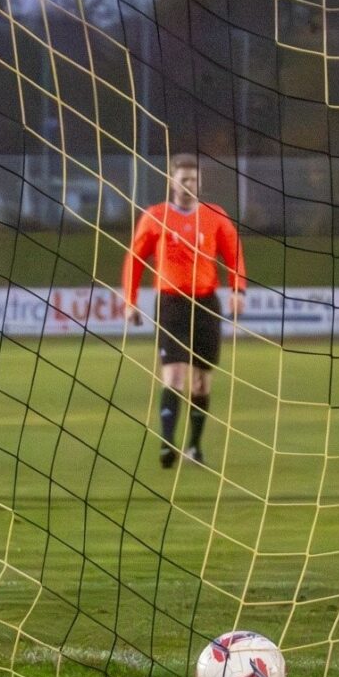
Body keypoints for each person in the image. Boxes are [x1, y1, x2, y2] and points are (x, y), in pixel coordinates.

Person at [123, 153, 247, 468]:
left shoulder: (215, 216)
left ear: (199, 182)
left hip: (205, 304)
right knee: (174, 374)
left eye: (193, 179)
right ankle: (167, 444)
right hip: (171, 305)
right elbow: (134, 260)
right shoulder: (155, 216)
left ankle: (194, 447)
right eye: (183, 179)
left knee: (201, 383)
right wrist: (130, 301)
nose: (188, 185)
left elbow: (234, 255)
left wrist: (237, 289)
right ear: (172, 181)